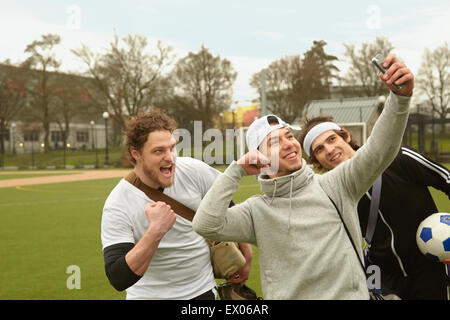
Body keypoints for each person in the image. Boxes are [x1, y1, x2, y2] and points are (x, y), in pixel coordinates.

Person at [193, 54, 414, 299]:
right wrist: (235, 171)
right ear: (260, 158)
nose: (289, 143)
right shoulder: (256, 211)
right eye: (275, 142)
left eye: (289, 136)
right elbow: (205, 225)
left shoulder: (336, 184)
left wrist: (399, 99)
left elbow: (378, 151)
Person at [101, 109, 252, 300]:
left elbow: (228, 207)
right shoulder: (118, 203)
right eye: (159, 151)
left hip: (203, 293)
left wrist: (245, 257)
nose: (170, 157)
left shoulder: (193, 170)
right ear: (136, 153)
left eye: (172, 148)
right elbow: (118, 277)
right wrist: (155, 231)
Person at [298, 113, 450, 300]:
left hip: (430, 271)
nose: (329, 149)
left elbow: (447, 180)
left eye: (332, 139)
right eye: (319, 149)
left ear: (345, 136)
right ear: (316, 161)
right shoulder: (331, 194)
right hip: (383, 279)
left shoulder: (397, 157)